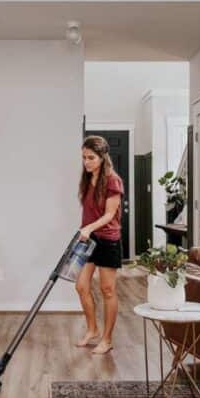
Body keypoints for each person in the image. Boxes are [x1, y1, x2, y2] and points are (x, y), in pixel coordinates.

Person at [74, 135, 124, 355]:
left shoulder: (113, 180)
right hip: (89, 239)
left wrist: (88, 229)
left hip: (108, 239)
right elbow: (89, 212)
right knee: (81, 286)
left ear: (103, 157)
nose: (86, 162)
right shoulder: (87, 180)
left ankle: (108, 338)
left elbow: (109, 214)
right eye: (84, 157)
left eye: (91, 157)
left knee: (107, 290)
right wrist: (84, 231)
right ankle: (92, 329)